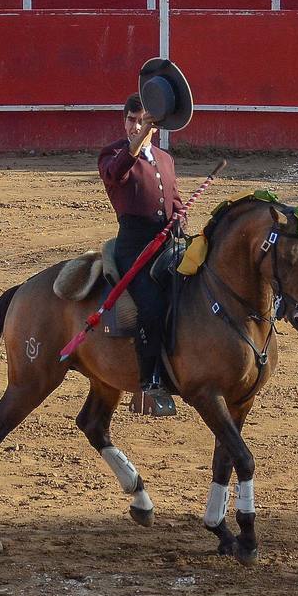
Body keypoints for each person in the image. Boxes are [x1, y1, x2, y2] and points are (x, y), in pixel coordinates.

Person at [98, 93, 184, 415]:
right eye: (132, 120)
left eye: (142, 120)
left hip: (168, 244)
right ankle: (149, 385)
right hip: (133, 249)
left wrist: (178, 217)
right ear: (124, 122)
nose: (136, 126)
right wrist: (139, 137)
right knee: (150, 306)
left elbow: (174, 199)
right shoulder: (113, 154)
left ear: (156, 127)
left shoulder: (165, 159)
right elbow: (118, 172)